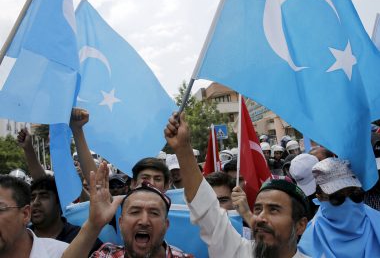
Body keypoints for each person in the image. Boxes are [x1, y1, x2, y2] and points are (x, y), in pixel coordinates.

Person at [164, 113, 309, 257]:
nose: (259, 218)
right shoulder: (238, 252)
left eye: (274, 210)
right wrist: (183, 150)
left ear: (300, 226)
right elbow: (206, 208)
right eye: (257, 210)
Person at [62, 163, 193, 258]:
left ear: (166, 225)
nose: (144, 221)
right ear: (120, 222)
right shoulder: (107, 254)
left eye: (154, 213)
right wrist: (93, 225)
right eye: (135, 212)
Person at [298, 158, 380, 257]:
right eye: (337, 197)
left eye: (355, 194)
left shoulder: (377, 221)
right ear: (319, 198)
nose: (349, 203)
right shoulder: (309, 243)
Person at [0, 175, 68, 258]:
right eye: (33, 197)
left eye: (0, 209)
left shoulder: (64, 253)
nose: (36, 202)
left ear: (25, 214)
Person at [29, 176, 102, 251]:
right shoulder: (20, 236)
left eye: (44, 197)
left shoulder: (82, 238)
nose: (35, 202)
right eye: (32, 198)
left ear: (60, 203)